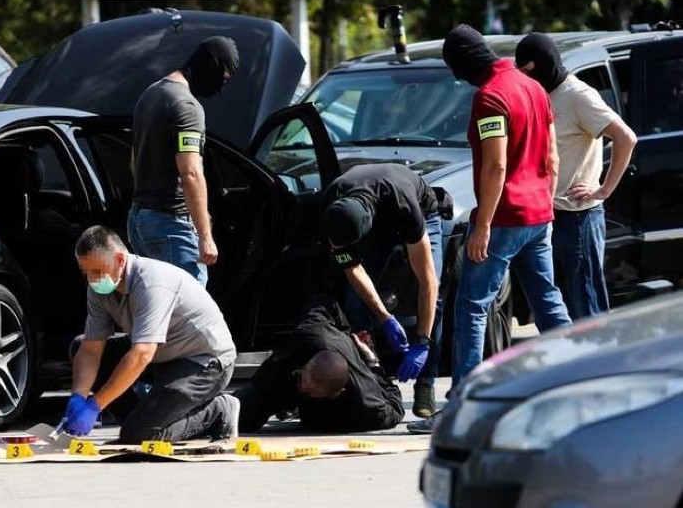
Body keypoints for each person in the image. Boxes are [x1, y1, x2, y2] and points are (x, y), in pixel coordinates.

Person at [442, 25, 571, 391]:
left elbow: (496, 165)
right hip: (538, 214)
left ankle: (462, 398)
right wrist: (545, 200)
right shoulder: (534, 87)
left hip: (503, 219)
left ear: (464, 65)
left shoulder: (490, 97)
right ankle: (578, 374)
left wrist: (482, 225)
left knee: (472, 307)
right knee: (548, 302)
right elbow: (552, 156)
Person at [59, 225, 239, 443]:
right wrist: (78, 397)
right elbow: (90, 349)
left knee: (140, 437)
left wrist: (95, 405)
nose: (92, 279)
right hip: (161, 356)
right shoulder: (99, 287)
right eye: (85, 272)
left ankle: (220, 411)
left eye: (97, 271)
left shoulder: (152, 283)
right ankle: (140, 420)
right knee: (79, 345)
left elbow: (142, 353)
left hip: (203, 363)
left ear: (119, 260)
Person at [515, 32, 637, 319]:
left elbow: (626, 138)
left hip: (579, 217)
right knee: (564, 306)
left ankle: (599, 364)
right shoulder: (544, 93)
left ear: (540, 66)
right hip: (551, 215)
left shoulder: (579, 95)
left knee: (586, 305)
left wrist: (604, 189)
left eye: (528, 71)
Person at [321, 163, 451, 419]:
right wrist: (385, 317)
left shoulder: (404, 205)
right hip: (369, 219)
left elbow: (428, 282)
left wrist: (422, 342)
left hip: (421, 212)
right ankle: (372, 380)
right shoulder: (332, 206)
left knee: (430, 300)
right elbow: (352, 268)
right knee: (355, 301)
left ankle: (426, 382)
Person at [127, 36, 239, 287]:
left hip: (139, 220)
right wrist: (205, 235)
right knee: (189, 312)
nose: (221, 86)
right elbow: (190, 173)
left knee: (159, 309)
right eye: (224, 78)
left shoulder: (151, 93)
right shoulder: (187, 106)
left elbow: (134, 161)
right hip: (170, 225)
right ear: (212, 66)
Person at [234, 296, 405, 433]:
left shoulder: (365, 401)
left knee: (322, 422)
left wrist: (373, 362)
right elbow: (324, 303)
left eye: (309, 390)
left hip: (332, 410)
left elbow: (396, 408)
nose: (303, 389)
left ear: (338, 392)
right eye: (303, 380)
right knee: (238, 417)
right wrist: (346, 331)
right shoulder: (312, 334)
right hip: (286, 371)